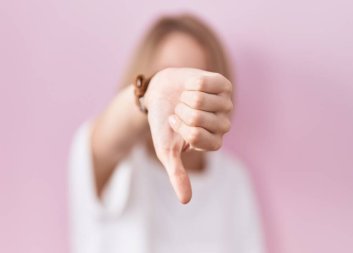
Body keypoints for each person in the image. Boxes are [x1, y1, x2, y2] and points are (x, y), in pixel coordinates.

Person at [69, 13, 265, 253]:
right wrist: (150, 96)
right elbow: (106, 135)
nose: (179, 91)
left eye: (193, 77)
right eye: (165, 74)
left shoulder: (234, 179)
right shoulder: (118, 163)